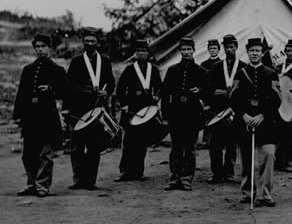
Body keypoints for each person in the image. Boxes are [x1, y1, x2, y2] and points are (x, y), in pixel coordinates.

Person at [13, 33, 68, 197]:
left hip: (48, 119)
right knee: (28, 154)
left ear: (50, 48)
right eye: (37, 47)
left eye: (43, 46)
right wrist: (18, 115)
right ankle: (31, 184)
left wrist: (51, 89)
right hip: (30, 119)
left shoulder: (57, 70)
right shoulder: (28, 70)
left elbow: (66, 92)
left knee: (45, 154)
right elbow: (21, 94)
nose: (40, 50)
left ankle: (42, 185)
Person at [231, 38, 281, 206]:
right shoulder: (240, 73)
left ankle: (266, 194)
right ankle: (248, 192)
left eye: (258, 51)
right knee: (247, 158)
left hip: (266, 123)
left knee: (269, 154)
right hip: (245, 121)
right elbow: (233, 97)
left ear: (262, 53)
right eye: (252, 50)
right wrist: (243, 114)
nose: (254, 53)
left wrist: (263, 115)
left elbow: (277, 98)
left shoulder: (271, 73)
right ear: (248, 52)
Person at [64, 28, 115, 191]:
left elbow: (111, 82)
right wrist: (86, 92)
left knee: (94, 146)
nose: (90, 44)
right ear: (83, 42)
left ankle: (91, 181)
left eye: (93, 41)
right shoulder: (76, 62)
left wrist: (107, 91)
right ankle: (79, 180)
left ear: (97, 43)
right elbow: (69, 85)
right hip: (79, 109)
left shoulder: (105, 62)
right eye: (87, 41)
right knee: (77, 147)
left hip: (97, 108)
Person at [161, 37, 208, 191]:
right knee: (176, 148)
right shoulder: (172, 70)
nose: (186, 52)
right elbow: (165, 94)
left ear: (194, 51)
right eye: (183, 49)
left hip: (192, 115)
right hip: (175, 115)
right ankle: (175, 178)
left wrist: (200, 91)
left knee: (190, 149)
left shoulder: (201, 71)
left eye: (189, 49)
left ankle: (187, 179)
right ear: (180, 51)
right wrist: (165, 116)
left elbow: (208, 93)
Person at [115, 39, 163, 182]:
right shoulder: (130, 69)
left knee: (142, 142)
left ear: (148, 53)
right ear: (135, 54)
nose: (141, 54)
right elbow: (120, 89)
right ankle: (125, 171)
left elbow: (160, 87)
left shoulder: (153, 69)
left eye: (143, 51)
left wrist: (157, 97)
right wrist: (124, 104)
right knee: (129, 141)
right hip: (132, 107)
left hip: (146, 108)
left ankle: (138, 172)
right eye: (138, 51)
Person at [207, 34, 246, 183]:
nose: (229, 50)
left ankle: (228, 173)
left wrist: (235, 95)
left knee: (231, 144)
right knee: (215, 144)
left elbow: (245, 90)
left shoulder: (243, 67)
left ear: (236, 47)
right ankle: (216, 173)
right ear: (223, 48)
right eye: (226, 47)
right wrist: (221, 93)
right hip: (219, 110)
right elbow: (210, 89)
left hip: (235, 111)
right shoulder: (216, 67)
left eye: (231, 47)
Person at [274, 39, 292, 173]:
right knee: (278, 133)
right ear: (285, 52)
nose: (290, 53)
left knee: (290, 134)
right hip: (280, 104)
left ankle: (288, 162)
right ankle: (278, 161)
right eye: (288, 50)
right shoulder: (278, 67)